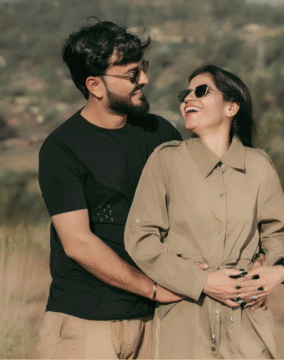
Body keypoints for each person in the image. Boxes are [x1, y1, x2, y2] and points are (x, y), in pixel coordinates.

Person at [36, 20, 184, 359]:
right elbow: (78, 243)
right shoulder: (62, 149)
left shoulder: (160, 133)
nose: (144, 80)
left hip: (153, 321)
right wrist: (154, 289)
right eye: (131, 74)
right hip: (86, 322)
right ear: (95, 85)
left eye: (142, 69)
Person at [125, 64, 284, 359]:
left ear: (231, 107)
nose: (188, 98)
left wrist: (277, 271)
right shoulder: (166, 161)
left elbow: (276, 232)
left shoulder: (259, 166)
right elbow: (140, 237)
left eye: (201, 91)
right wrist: (200, 281)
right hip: (185, 324)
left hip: (247, 324)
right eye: (185, 94)